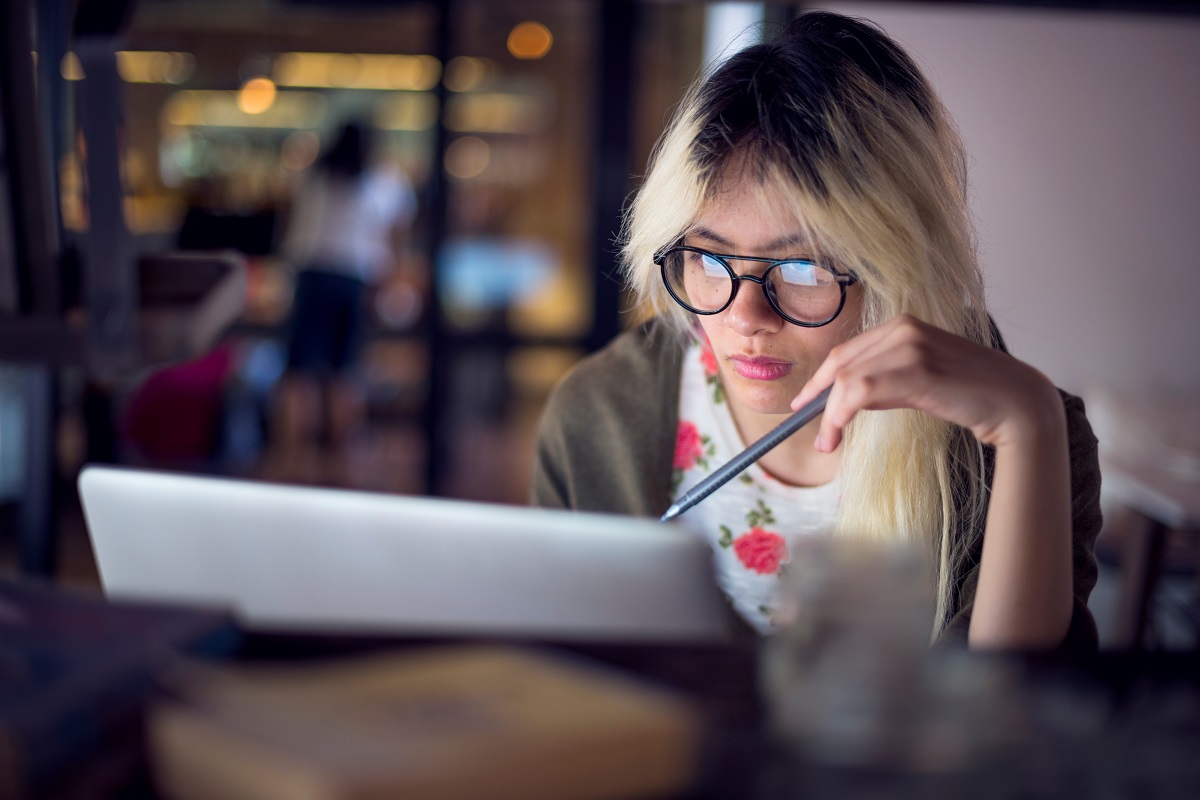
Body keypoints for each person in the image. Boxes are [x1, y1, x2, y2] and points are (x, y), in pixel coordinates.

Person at [531, 11, 1101, 651]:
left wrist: (1030, 423)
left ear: (900, 266)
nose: (744, 318)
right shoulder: (598, 413)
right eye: (710, 259)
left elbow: (1017, 725)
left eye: (803, 267)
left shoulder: (1019, 443)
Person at [274, 121, 416, 459]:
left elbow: (288, 229)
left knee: (299, 372)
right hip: (354, 280)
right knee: (346, 371)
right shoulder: (385, 181)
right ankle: (341, 453)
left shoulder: (313, 177)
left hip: (311, 274)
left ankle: (294, 453)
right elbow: (397, 240)